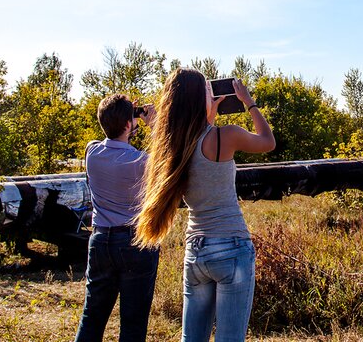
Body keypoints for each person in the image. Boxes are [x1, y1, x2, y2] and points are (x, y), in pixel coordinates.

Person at [134, 69, 275, 342]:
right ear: (201, 97)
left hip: (196, 251)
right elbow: (267, 142)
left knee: (192, 338)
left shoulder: (171, 146)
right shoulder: (225, 136)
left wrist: (207, 116)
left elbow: (197, 141)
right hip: (231, 246)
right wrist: (248, 102)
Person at [75, 94, 159, 342]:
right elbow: (167, 158)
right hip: (134, 242)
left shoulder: (92, 153)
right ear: (127, 125)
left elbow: (105, 136)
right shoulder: (139, 162)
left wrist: (122, 118)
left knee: (92, 317)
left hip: (100, 240)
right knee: (133, 323)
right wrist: (154, 125)